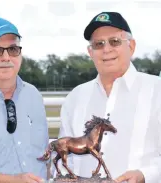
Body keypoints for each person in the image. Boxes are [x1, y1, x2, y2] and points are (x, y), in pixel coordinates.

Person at [58, 12, 161, 183]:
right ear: (90, 52)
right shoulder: (75, 98)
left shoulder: (157, 91)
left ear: (132, 46)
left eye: (115, 41)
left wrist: (145, 175)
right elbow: (64, 154)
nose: (106, 49)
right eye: (99, 44)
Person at [0, 17, 49, 183]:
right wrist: (11, 180)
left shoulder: (33, 95)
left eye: (13, 49)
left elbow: (44, 156)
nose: (6, 57)